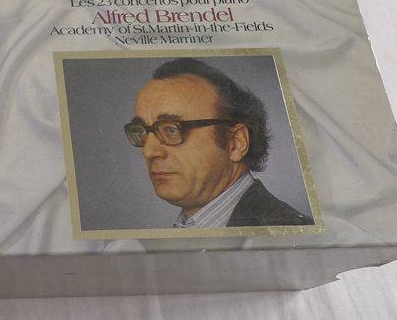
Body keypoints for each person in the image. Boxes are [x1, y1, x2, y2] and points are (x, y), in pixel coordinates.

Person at [124, 58, 312, 228]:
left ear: (236, 143)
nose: (148, 151)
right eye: (141, 131)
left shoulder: (289, 229)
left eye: (171, 129)